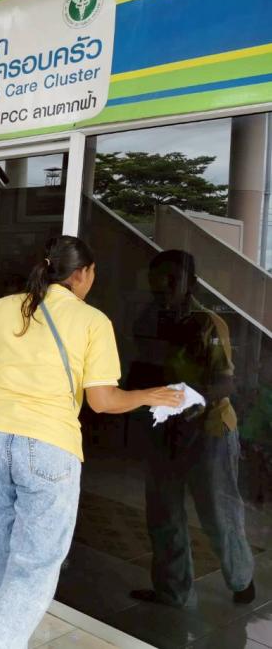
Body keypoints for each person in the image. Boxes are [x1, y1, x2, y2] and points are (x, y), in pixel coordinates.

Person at [0, 235, 183, 648]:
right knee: (35, 564)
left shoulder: (4, 307)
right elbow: (102, 401)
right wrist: (149, 395)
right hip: (48, 446)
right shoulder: (93, 321)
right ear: (82, 273)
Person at [128, 250, 254, 607]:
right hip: (166, 429)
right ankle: (172, 591)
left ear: (191, 284)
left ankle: (241, 581)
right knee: (163, 511)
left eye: (172, 280)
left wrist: (191, 402)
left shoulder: (208, 323)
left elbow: (226, 383)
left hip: (209, 430)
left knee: (218, 511)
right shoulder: (151, 318)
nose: (164, 287)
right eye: (158, 281)